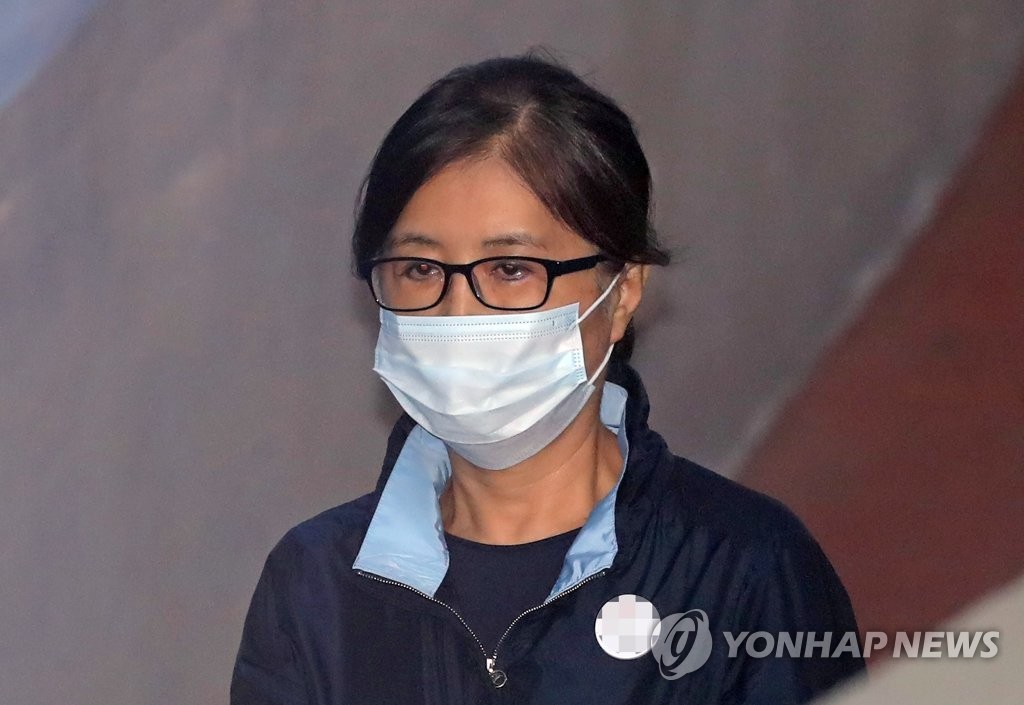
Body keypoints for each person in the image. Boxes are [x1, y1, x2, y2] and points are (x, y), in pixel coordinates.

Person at [231, 54, 865, 704]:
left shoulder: (743, 568)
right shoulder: (317, 585)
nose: (459, 313)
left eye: (511, 269)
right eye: (419, 269)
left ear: (622, 292)